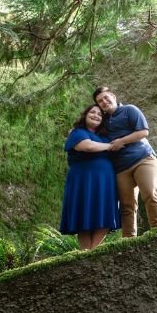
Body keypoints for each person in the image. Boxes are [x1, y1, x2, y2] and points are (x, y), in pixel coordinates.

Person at [94, 86, 157, 236]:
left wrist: (122, 141)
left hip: (143, 159)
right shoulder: (103, 121)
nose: (104, 102)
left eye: (106, 98)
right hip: (121, 168)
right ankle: (128, 240)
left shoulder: (129, 110)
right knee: (127, 206)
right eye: (100, 101)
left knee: (150, 193)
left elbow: (143, 132)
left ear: (113, 96)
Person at [59, 103, 123, 249]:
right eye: (93, 113)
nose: (96, 116)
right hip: (82, 181)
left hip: (105, 181)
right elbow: (87, 146)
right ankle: (86, 253)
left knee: (106, 214)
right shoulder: (77, 132)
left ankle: (91, 252)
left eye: (100, 114)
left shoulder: (105, 136)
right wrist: (111, 146)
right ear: (85, 115)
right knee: (84, 214)